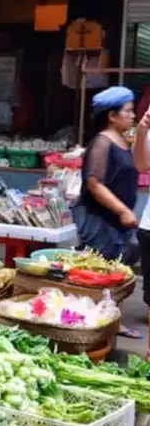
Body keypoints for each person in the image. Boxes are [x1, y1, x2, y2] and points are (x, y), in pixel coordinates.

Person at [76, 86, 150, 340]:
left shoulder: (121, 140)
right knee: (101, 275)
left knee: (116, 274)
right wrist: (122, 210)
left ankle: (111, 322)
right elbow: (94, 183)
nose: (132, 115)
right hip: (101, 222)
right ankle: (94, 327)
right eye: (128, 111)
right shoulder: (101, 143)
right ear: (112, 115)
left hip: (116, 223)